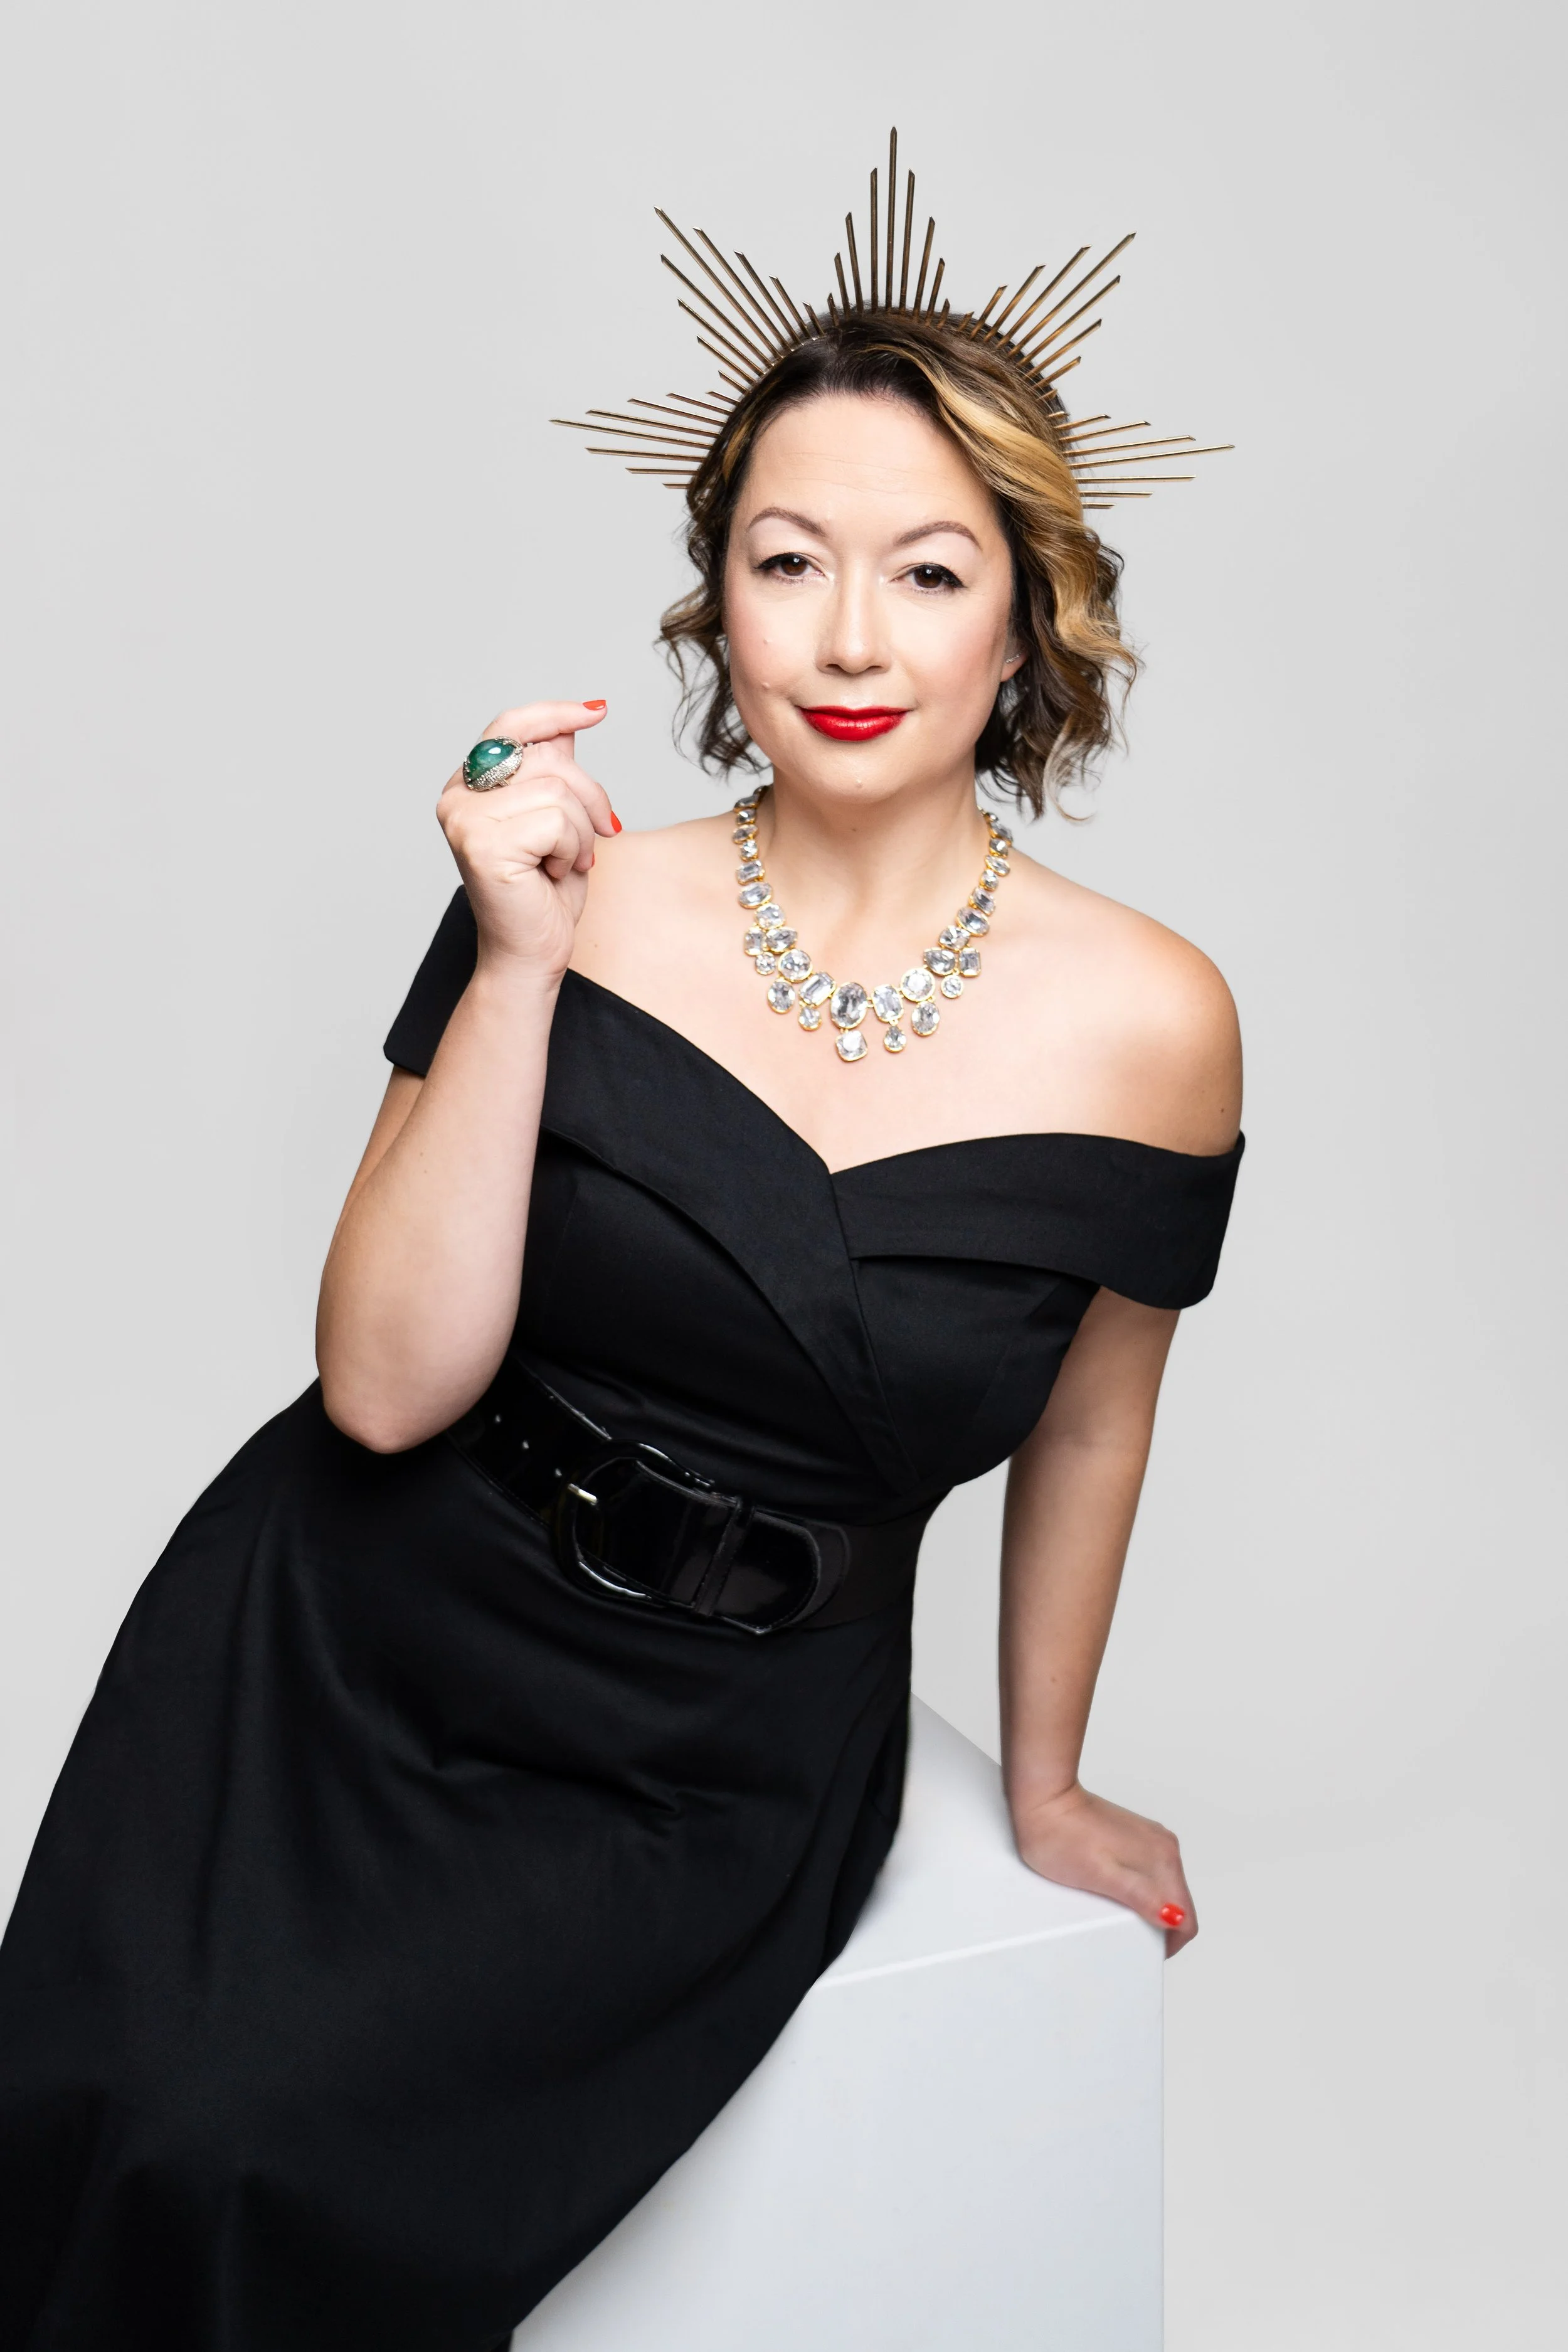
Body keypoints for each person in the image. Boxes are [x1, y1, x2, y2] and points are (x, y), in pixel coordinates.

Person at [0, 141, 1242, 2351]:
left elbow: (1091, 1430)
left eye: (928, 572)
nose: (850, 637)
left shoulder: (1154, 1019)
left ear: (1029, 613)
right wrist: (511, 961)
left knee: (270, 2173)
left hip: (718, 1756)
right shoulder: (575, 899)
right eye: (788, 561)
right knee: (124, 2122)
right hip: (352, 1640)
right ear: (715, 602)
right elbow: (385, 1384)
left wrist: (1041, 1779)